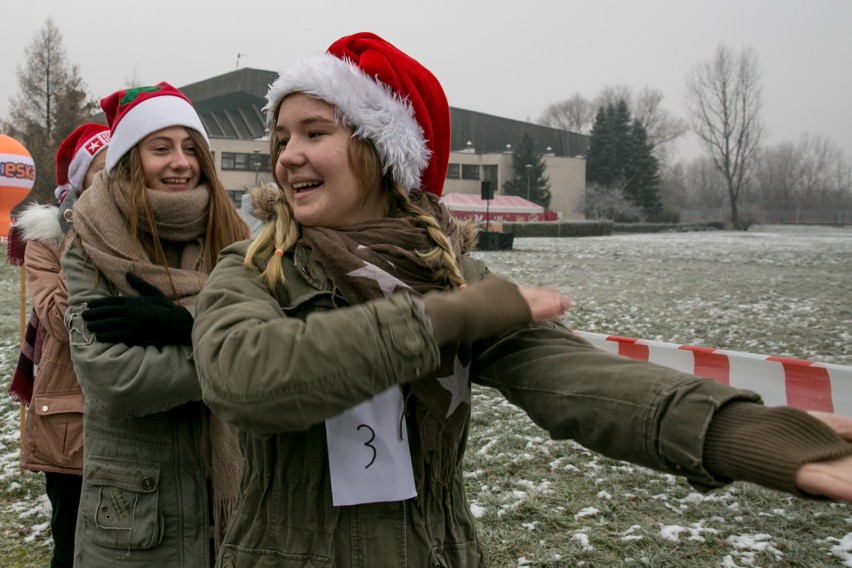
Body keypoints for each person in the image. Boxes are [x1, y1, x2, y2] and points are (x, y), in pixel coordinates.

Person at [190, 33, 852, 567]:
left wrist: (737, 432)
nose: (288, 157)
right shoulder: (254, 268)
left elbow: (579, 382)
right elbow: (245, 379)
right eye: (280, 139)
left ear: (381, 153)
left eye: (315, 133)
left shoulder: (453, 273)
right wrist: (447, 317)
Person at [61, 82, 249, 567]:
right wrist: (223, 353)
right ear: (128, 158)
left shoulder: (236, 237)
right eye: (160, 148)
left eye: (191, 148)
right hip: (134, 522)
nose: (180, 162)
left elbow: (272, 341)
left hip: (232, 510)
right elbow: (114, 379)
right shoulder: (89, 247)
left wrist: (185, 326)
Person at [8, 123, 110, 568]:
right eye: (103, 171)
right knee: (73, 548)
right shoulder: (46, 241)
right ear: (81, 181)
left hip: (137, 413)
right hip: (73, 426)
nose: (115, 180)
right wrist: (84, 238)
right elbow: (58, 321)